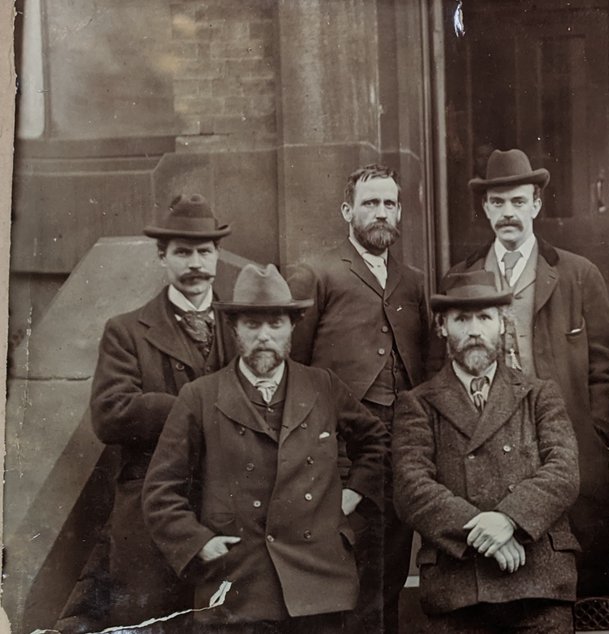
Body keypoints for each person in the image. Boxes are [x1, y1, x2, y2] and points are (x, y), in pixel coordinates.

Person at [143, 263, 389, 632]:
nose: (264, 336)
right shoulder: (200, 396)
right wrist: (198, 544)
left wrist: (353, 494)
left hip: (318, 581)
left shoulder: (322, 386)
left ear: (292, 327)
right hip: (239, 580)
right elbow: (161, 491)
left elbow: (378, 444)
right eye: (252, 325)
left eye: (275, 324)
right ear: (234, 329)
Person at [445, 148, 609, 598]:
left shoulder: (578, 275)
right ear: (486, 208)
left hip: (567, 447)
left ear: (536, 205)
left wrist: (594, 434)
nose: (509, 213)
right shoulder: (462, 278)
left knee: (580, 582)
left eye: (518, 202)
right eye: (499, 203)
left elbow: (605, 369)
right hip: (490, 446)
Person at [63, 194, 234, 630]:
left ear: (217, 256)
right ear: (162, 257)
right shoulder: (126, 331)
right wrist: (190, 409)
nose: (195, 263)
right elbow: (110, 413)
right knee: (151, 620)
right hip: (149, 508)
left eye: (204, 251)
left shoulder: (243, 326)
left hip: (227, 503)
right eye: (182, 252)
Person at [393, 270, 580, 632]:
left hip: (537, 578)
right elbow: (411, 488)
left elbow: (563, 471)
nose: (474, 330)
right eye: (461, 319)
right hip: (460, 585)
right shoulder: (418, 404)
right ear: (442, 327)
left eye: (484, 317)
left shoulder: (539, 393)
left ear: (503, 323)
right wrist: (484, 534)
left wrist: (508, 519)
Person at [287, 164, 429, 633]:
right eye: (371, 203)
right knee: (346, 567)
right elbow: (296, 367)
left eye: (389, 204)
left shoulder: (412, 282)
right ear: (347, 211)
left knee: (391, 563)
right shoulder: (317, 274)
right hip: (342, 449)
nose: (381, 213)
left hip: (402, 447)